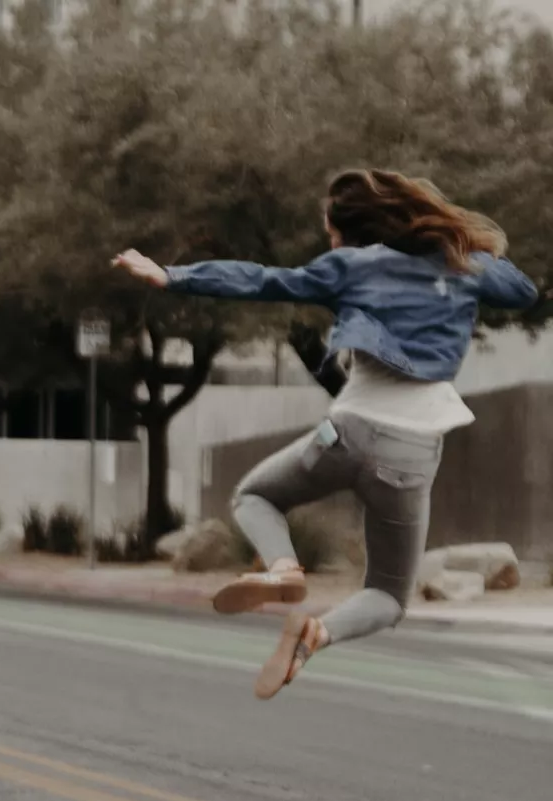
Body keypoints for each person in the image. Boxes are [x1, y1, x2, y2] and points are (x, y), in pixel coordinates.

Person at [113, 169, 537, 700]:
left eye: (330, 229)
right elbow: (521, 291)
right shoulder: (461, 266)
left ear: (348, 230)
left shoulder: (348, 266)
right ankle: (317, 634)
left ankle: (284, 568)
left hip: (345, 434)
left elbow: (263, 280)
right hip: (411, 456)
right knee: (387, 596)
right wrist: (463, 246)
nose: (329, 239)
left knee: (256, 495)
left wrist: (173, 276)